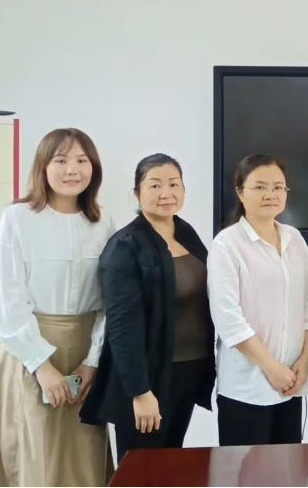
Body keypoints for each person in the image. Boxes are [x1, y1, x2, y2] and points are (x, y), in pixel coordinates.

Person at [0, 128, 114, 486]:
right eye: (61, 160)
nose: (73, 170)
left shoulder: (102, 222)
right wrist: (41, 366)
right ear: (43, 166)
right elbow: (8, 299)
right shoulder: (18, 218)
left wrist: (92, 362)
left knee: (83, 454)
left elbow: (109, 302)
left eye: (82, 160)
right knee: (34, 453)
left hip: (86, 352)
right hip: (31, 351)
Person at [80, 154, 215, 462]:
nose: (166, 193)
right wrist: (140, 393)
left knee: (171, 464)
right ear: (137, 193)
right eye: (155, 185)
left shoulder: (185, 232)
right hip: (148, 379)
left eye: (174, 184)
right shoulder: (125, 245)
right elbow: (122, 327)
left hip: (188, 372)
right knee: (141, 470)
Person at [208, 154, 308, 445]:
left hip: (292, 382)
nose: (270, 194)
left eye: (278, 187)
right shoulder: (227, 244)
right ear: (240, 192)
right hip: (247, 387)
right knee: (245, 469)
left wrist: (305, 361)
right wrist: (272, 369)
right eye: (260, 187)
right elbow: (229, 320)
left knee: (288, 467)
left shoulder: (294, 239)